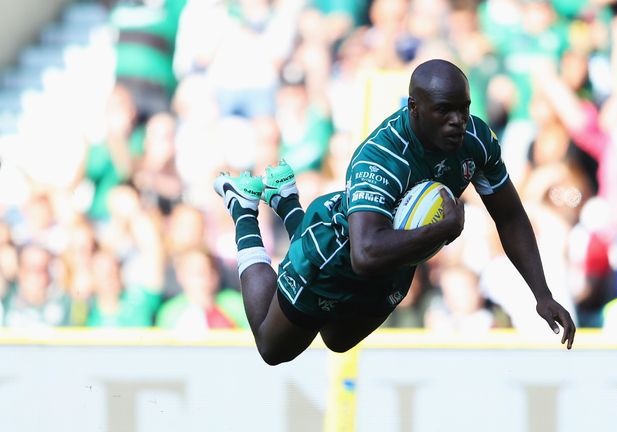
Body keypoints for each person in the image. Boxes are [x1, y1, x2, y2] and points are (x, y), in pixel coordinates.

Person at [214, 59, 576, 365]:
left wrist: (541, 294)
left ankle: (286, 200)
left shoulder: (476, 141)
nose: (458, 120)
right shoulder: (382, 156)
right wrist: (443, 228)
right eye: (443, 110)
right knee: (273, 349)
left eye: (463, 108)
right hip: (333, 250)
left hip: (397, 265)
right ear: (413, 108)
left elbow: (510, 215)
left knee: (337, 340)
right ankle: (244, 207)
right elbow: (365, 254)